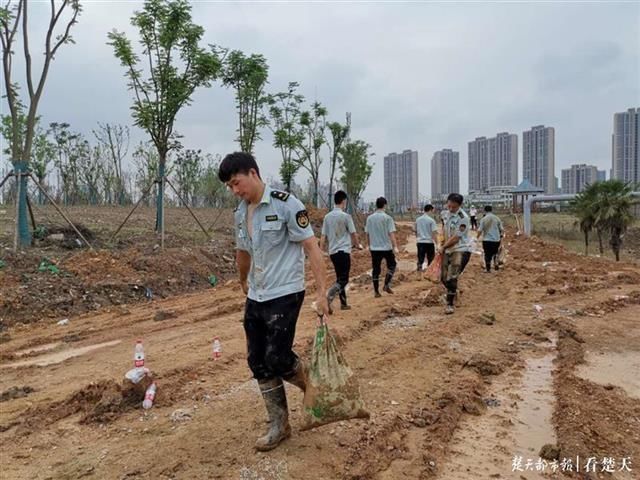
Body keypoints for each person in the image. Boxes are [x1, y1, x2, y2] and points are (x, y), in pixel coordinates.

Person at [219, 152, 329, 452]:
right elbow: (243, 251)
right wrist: (243, 280)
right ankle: (279, 424)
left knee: (277, 357)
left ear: (253, 173)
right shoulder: (241, 213)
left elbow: (312, 248)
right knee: (257, 361)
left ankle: (314, 389)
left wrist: (322, 294)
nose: (235, 190)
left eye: (236, 183)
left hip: (285, 292)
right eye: (229, 187)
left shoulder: (286, 204)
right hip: (257, 293)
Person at [320, 190, 362, 313]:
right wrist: (357, 245)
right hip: (343, 251)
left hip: (333, 252)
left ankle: (344, 303)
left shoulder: (327, 217)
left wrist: (321, 250)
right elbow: (353, 233)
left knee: (340, 277)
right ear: (344, 201)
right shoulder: (346, 217)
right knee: (344, 280)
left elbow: (323, 236)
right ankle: (330, 295)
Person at [438, 193, 473, 315]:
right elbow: (443, 229)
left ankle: (450, 304)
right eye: (449, 206)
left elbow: (456, 237)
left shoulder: (463, 218)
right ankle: (453, 292)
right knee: (443, 277)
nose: (451, 209)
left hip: (460, 249)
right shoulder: (445, 214)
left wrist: (443, 246)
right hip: (446, 249)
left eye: (453, 207)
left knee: (452, 276)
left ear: (459, 205)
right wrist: (441, 243)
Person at [365, 197, 399, 297]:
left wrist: (368, 245)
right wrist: (395, 246)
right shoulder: (388, 218)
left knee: (376, 269)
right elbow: (391, 234)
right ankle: (386, 284)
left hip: (374, 248)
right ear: (385, 205)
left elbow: (367, 234)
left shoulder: (369, 218)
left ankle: (376, 291)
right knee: (392, 265)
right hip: (386, 248)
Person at [478, 205, 504, 273]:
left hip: (486, 240)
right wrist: (501, 236)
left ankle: (488, 268)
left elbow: (480, 230)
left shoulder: (483, 219)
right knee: (495, 253)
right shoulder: (497, 218)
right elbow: (502, 229)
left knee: (487, 254)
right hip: (496, 240)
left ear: (485, 210)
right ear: (491, 210)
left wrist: (477, 237)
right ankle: (496, 263)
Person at [415, 204, 438, 271]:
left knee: (420, 258)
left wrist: (418, 238)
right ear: (430, 210)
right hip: (429, 242)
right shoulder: (431, 220)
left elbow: (415, 231)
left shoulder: (418, 219)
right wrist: (437, 244)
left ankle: (419, 273)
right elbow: (434, 233)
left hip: (420, 242)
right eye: (432, 210)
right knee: (430, 259)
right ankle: (429, 272)